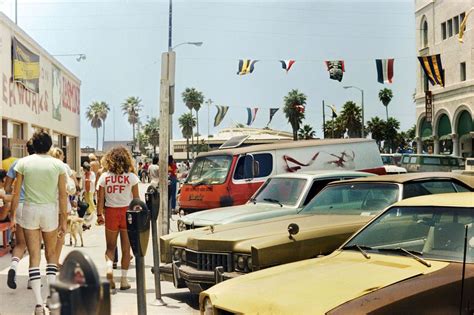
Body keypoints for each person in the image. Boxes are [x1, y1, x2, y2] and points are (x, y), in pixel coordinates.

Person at [10, 131, 68, 314]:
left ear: (34, 145)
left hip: (29, 211)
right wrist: (64, 219)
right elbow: (62, 193)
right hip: (49, 210)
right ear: (49, 146)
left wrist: (13, 216)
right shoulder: (58, 165)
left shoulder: (23, 163)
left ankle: (37, 304)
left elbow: (16, 191)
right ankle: (51, 297)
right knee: (51, 255)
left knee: (34, 257)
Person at [96, 146, 139, 290]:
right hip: (127, 214)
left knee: (110, 248)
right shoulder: (132, 177)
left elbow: (100, 198)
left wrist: (98, 215)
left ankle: (109, 270)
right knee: (126, 249)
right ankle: (124, 280)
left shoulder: (104, 177)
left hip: (111, 213)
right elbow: (136, 200)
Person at [5, 140, 35, 290]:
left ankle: (14, 267)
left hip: (19, 206)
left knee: (20, 244)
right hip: (36, 206)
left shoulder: (17, 163)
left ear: (26, 149)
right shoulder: (45, 165)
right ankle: (32, 279)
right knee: (34, 246)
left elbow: (7, 186)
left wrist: (14, 192)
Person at [50, 148, 79, 265]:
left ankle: (50, 259)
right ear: (62, 156)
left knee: (50, 233)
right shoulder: (65, 166)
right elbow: (75, 184)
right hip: (63, 204)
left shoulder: (48, 166)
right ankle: (55, 261)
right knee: (61, 232)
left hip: (49, 203)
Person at [82, 162, 96, 226]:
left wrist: (89, 180)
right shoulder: (84, 174)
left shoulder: (92, 173)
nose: (83, 170)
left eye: (84, 169)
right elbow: (83, 181)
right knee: (87, 200)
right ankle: (89, 211)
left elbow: (94, 180)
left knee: (90, 199)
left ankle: (94, 211)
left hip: (90, 189)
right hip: (85, 189)